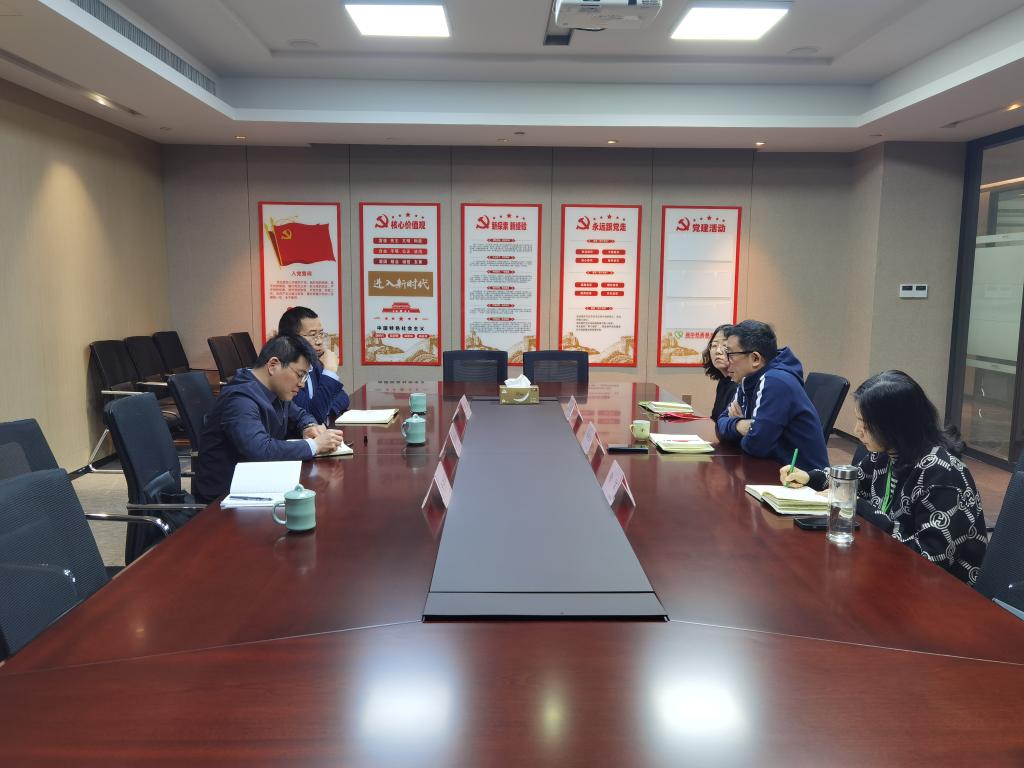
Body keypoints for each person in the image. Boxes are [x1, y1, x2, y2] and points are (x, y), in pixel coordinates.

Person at [781, 370, 988, 585]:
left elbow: (931, 560)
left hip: (942, 591)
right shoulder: (888, 454)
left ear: (894, 426)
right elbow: (854, 480)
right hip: (889, 568)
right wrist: (810, 478)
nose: (857, 430)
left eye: (865, 424)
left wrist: (861, 508)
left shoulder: (942, 473)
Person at [194, 334, 344, 503]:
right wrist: (314, 445)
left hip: (257, 483)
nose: (302, 384)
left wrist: (308, 426)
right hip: (224, 500)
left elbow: (301, 414)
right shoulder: (239, 399)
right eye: (300, 374)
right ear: (273, 365)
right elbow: (260, 450)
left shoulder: (273, 390)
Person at [716, 319, 828, 471]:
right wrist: (739, 425)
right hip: (772, 468)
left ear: (755, 359)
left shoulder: (775, 381)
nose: (726, 361)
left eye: (730, 354)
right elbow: (721, 422)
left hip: (802, 479)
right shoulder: (747, 379)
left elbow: (756, 445)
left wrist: (742, 432)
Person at [278, 306, 350, 425]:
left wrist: (326, 409)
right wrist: (330, 371)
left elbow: (343, 396)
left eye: (321, 334)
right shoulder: (286, 371)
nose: (319, 341)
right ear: (291, 339)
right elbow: (313, 415)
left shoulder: (313, 363)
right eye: (313, 335)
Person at [703, 323, 736, 420]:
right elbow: (716, 419)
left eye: (725, 345)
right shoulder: (723, 381)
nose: (718, 351)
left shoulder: (739, 385)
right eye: (714, 345)